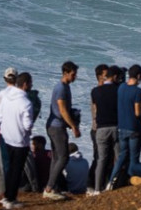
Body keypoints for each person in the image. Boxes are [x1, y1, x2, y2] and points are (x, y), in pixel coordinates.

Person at [0, 68, 33, 208]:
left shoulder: (5, 96)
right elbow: (27, 125)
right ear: (25, 84)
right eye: (31, 83)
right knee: (16, 171)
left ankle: (6, 196)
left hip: (6, 135)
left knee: (9, 168)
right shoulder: (26, 102)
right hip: (19, 141)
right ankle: (10, 199)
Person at [107, 65, 141, 189]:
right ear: (139, 76)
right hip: (134, 128)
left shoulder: (121, 88)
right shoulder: (138, 91)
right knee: (134, 159)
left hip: (121, 127)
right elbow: (137, 113)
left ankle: (111, 181)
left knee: (122, 156)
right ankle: (136, 178)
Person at [45, 62, 80, 200]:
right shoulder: (61, 88)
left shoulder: (65, 87)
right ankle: (49, 188)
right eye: (73, 74)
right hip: (56, 126)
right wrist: (73, 126)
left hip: (55, 125)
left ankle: (53, 187)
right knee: (63, 157)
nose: (75, 76)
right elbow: (62, 109)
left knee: (56, 158)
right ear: (65, 73)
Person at [90, 65, 121, 195]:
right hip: (115, 127)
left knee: (101, 159)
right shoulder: (118, 90)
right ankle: (115, 185)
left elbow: (95, 109)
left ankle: (97, 189)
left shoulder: (95, 91)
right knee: (119, 158)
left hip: (101, 128)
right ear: (114, 77)